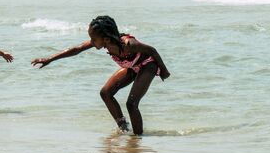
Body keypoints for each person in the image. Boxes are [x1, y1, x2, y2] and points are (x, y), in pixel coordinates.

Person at [31, 16, 171, 135]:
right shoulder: (105, 43)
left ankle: (138, 138)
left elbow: (152, 51)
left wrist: (163, 71)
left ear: (106, 38)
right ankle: (124, 128)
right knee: (106, 93)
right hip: (131, 66)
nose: (91, 41)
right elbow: (77, 49)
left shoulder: (129, 44)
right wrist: (49, 59)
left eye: (93, 38)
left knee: (131, 103)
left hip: (147, 65)